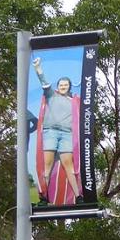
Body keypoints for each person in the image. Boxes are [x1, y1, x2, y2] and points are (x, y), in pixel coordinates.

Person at [32, 55, 83, 206]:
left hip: (67, 135)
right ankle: (43, 197)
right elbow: (44, 82)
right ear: (58, 86)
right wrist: (38, 68)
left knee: (69, 166)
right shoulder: (51, 95)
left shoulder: (74, 101)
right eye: (61, 84)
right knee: (47, 166)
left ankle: (78, 197)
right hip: (51, 133)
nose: (63, 86)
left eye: (66, 85)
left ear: (69, 86)